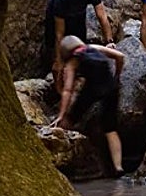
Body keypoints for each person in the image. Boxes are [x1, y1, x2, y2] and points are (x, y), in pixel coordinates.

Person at [51, 35, 125, 177]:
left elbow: (67, 90)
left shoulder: (73, 60)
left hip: (92, 89)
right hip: (111, 87)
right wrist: (117, 76)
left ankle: (58, 146)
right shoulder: (93, 48)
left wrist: (61, 114)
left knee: (72, 117)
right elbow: (120, 56)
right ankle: (118, 167)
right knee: (110, 128)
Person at [42, 0, 115, 92]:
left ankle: (76, 75)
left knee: (79, 42)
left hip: (78, 18)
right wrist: (58, 60)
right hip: (56, 17)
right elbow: (59, 33)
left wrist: (109, 41)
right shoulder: (59, 0)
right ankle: (58, 88)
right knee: (53, 44)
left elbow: (102, 16)